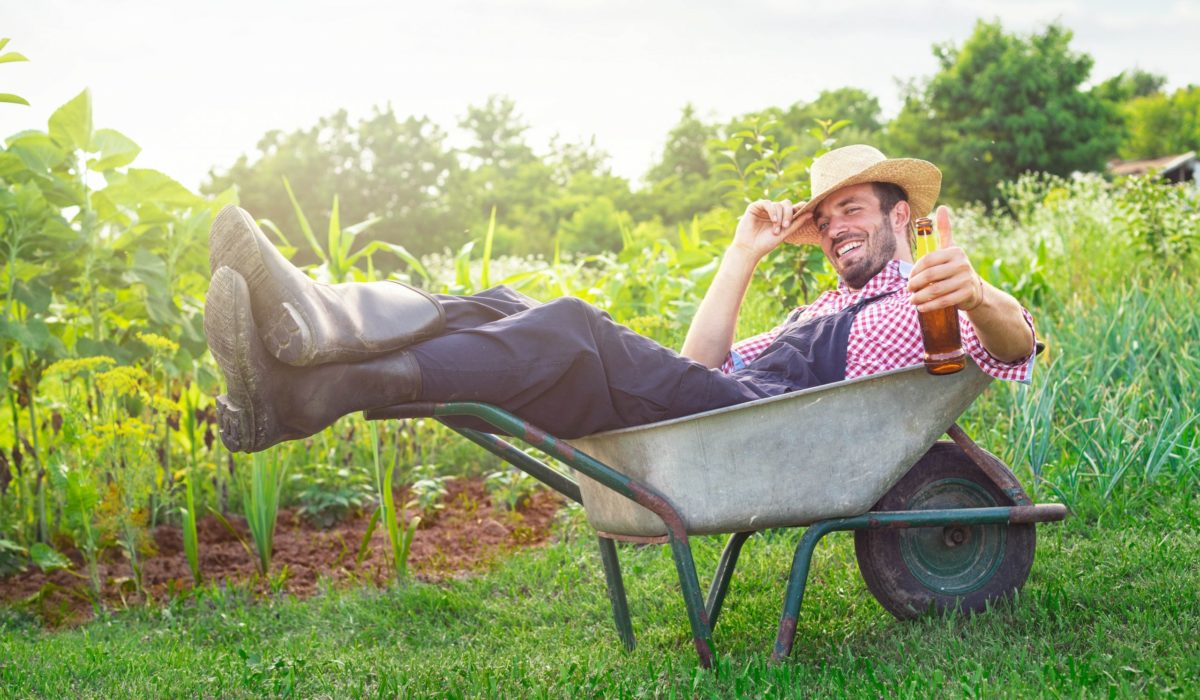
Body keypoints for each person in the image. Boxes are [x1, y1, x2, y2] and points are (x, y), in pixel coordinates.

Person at [204, 145, 1036, 453]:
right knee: (504, 301)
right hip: (734, 408)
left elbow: (1016, 345)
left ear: (903, 215)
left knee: (566, 325)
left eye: (850, 210)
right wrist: (744, 252)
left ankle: (311, 390)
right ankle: (314, 338)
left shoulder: (928, 293)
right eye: (824, 219)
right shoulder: (817, 311)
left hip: (748, 433)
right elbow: (699, 365)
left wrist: (982, 293)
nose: (834, 227)